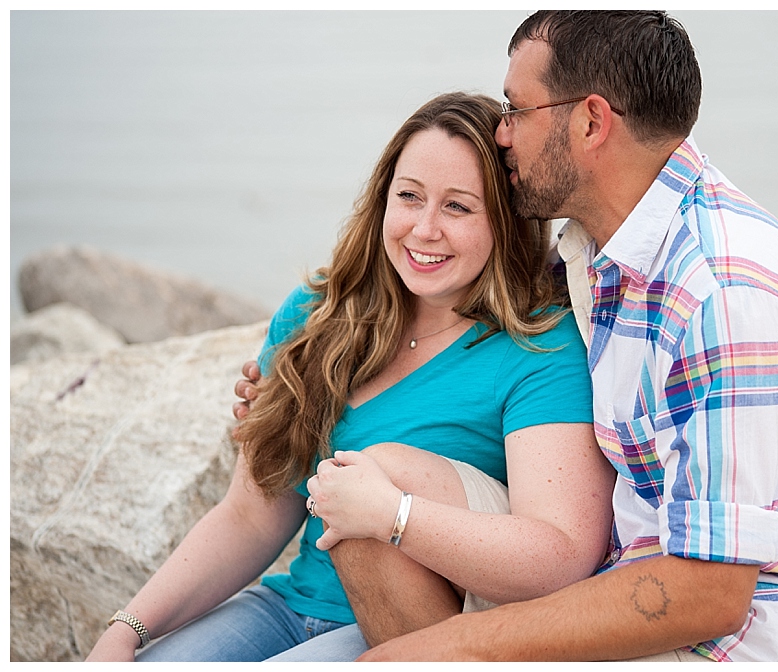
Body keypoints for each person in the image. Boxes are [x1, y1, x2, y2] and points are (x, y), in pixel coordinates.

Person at [235, 10, 778, 662]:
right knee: (370, 486)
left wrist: (443, 651)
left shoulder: (727, 292)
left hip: (761, 628)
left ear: (590, 121)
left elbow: (709, 594)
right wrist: (296, 384)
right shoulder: (594, 250)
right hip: (629, 570)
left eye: (515, 109)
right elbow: (468, 336)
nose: (501, 135)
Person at [85, 91, 615, 662]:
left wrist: (394, 518)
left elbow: (560, 552)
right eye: (409, 197)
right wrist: (126, 630)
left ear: (505, 221)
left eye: (458, 207)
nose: (425, 229)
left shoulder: (538, 346)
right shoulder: (318, 314)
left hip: (412, 626)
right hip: (285, 606)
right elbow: (251, 515)